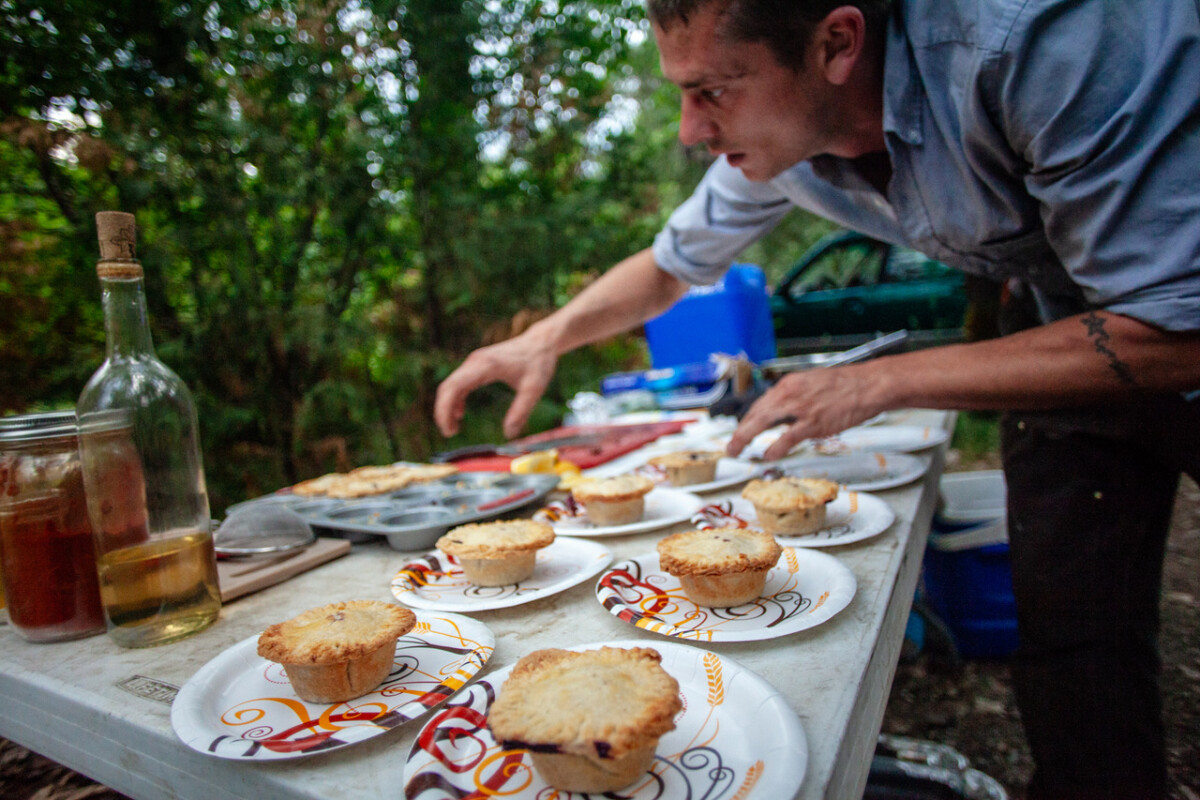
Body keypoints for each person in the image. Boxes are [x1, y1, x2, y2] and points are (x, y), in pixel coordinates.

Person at [435, 1, 1200, 797]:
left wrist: (881, 379)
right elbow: (669, 267)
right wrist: (545, 339)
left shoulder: (1039, 40)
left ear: (837, 43)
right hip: (1048, 318)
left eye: (713, 92)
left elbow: (1176, 323)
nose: (688, 132)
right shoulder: (785, 139)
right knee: (1072, 632)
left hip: (1171, 304)